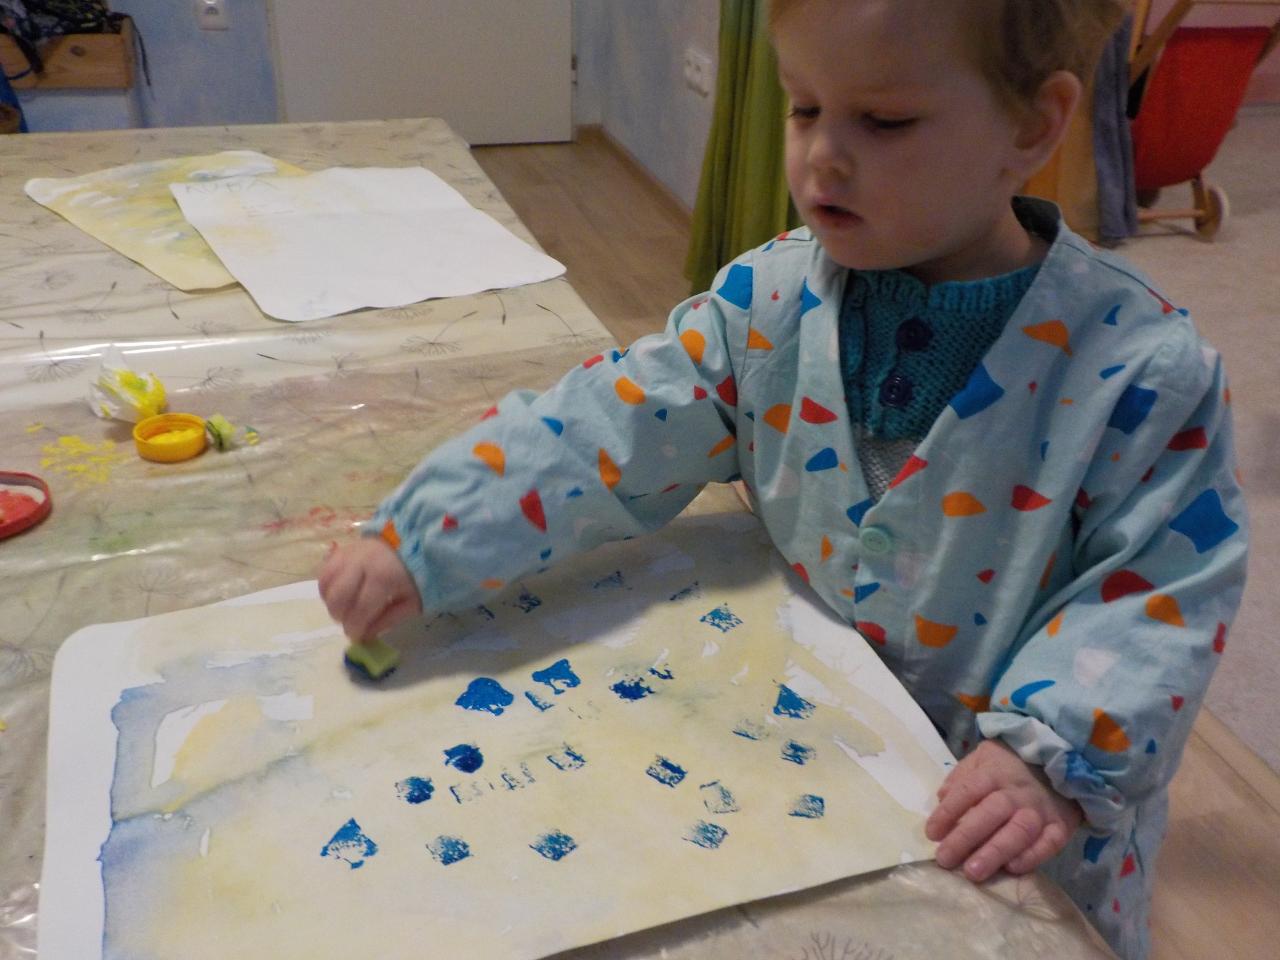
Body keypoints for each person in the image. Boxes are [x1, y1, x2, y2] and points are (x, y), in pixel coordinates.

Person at [319, 2, 1248, 956]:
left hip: (1006, 838)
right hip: (798, 787)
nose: (820, 159)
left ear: (1032, 125)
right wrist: (432, 532)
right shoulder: (763, 302)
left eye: (884, 121)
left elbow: (1160, 591)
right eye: (804, 109)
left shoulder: (1144, 371)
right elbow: (601, 429)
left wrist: (1049, 756)